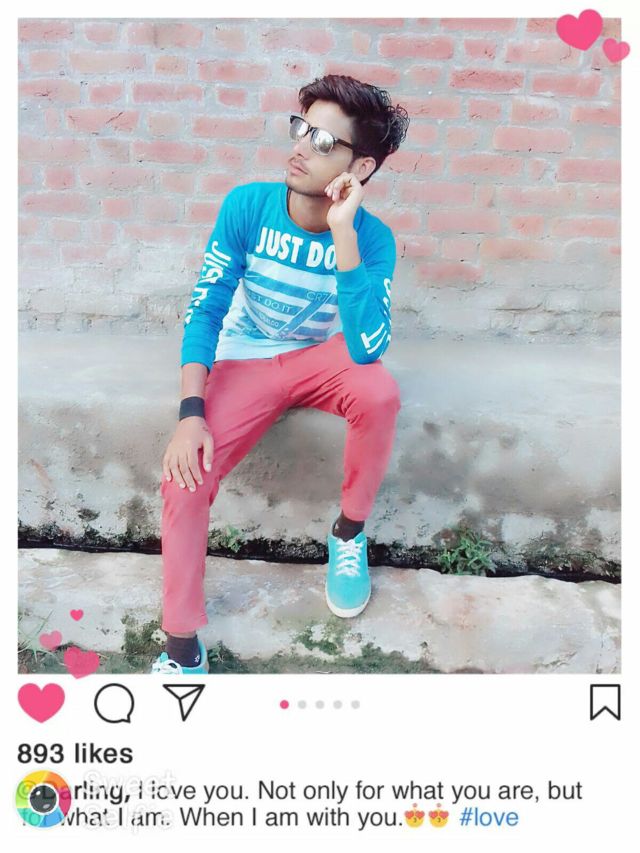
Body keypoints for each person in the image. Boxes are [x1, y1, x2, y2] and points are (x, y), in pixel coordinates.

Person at [151, 74, 410, 674]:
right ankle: (182, 648)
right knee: (183, 479)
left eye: (324, 142)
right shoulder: (247, 206)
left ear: (360, 167)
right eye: (301, 129)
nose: (300, 148)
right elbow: (206, 309)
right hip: (246, 359)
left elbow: (367, 347)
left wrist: (343, 232)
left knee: (379, 392)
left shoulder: (373, 240)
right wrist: (190, 413)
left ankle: (349, 534)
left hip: (323, 360)